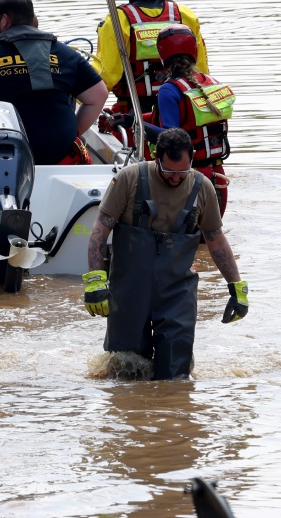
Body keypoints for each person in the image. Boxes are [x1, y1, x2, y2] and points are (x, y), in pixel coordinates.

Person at [82, 127, 247, 380]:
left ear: (192, 160)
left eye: (183, 172)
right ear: (156, 158)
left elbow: (215, 240)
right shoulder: (129, 178)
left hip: (177, 292)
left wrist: (236, 287)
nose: (176, 178)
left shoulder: (203, 188)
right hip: (129, 289)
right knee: (126, 369)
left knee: (175, 373)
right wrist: (95, 279)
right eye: (169, 172)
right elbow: (100, 229)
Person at [0, 0, 111, 166]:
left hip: (5, 160)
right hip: (59, 158)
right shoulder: (65, 53)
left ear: (5, 19)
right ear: (32, 18)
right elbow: (99, 94)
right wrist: (72, 133)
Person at [91, 0, 207, 143]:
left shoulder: (117, 21)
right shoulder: (184, 15)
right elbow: (201, 72)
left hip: (133, 117)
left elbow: (105, 76)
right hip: (181, 114)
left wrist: (74, 96)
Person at [149, 25, 234, 213]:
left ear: (162, 55)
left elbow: (171, 140)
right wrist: (139, 118)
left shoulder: (169, 90)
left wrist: (137, 125)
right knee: (213, 231)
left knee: (180, 233)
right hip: (218, 179)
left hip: (187, 180)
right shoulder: (211, 83)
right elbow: (192, 121)